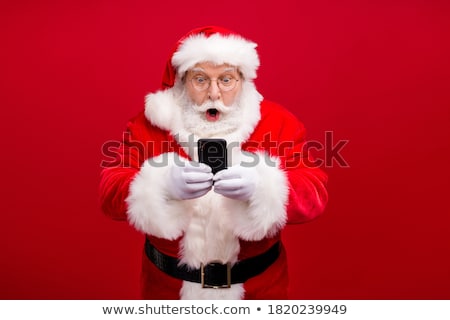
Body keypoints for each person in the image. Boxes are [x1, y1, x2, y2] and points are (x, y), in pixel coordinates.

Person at [99, 26, 328, 300]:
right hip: (168, 290)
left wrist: (263, 187)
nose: (214, 93)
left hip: (259, 290)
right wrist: (159, 184)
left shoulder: (278, 123)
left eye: (226, 80)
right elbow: (109, 192)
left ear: (243, 80)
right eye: (200, 79)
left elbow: (315, 193)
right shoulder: (147, 127)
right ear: (182, 82)